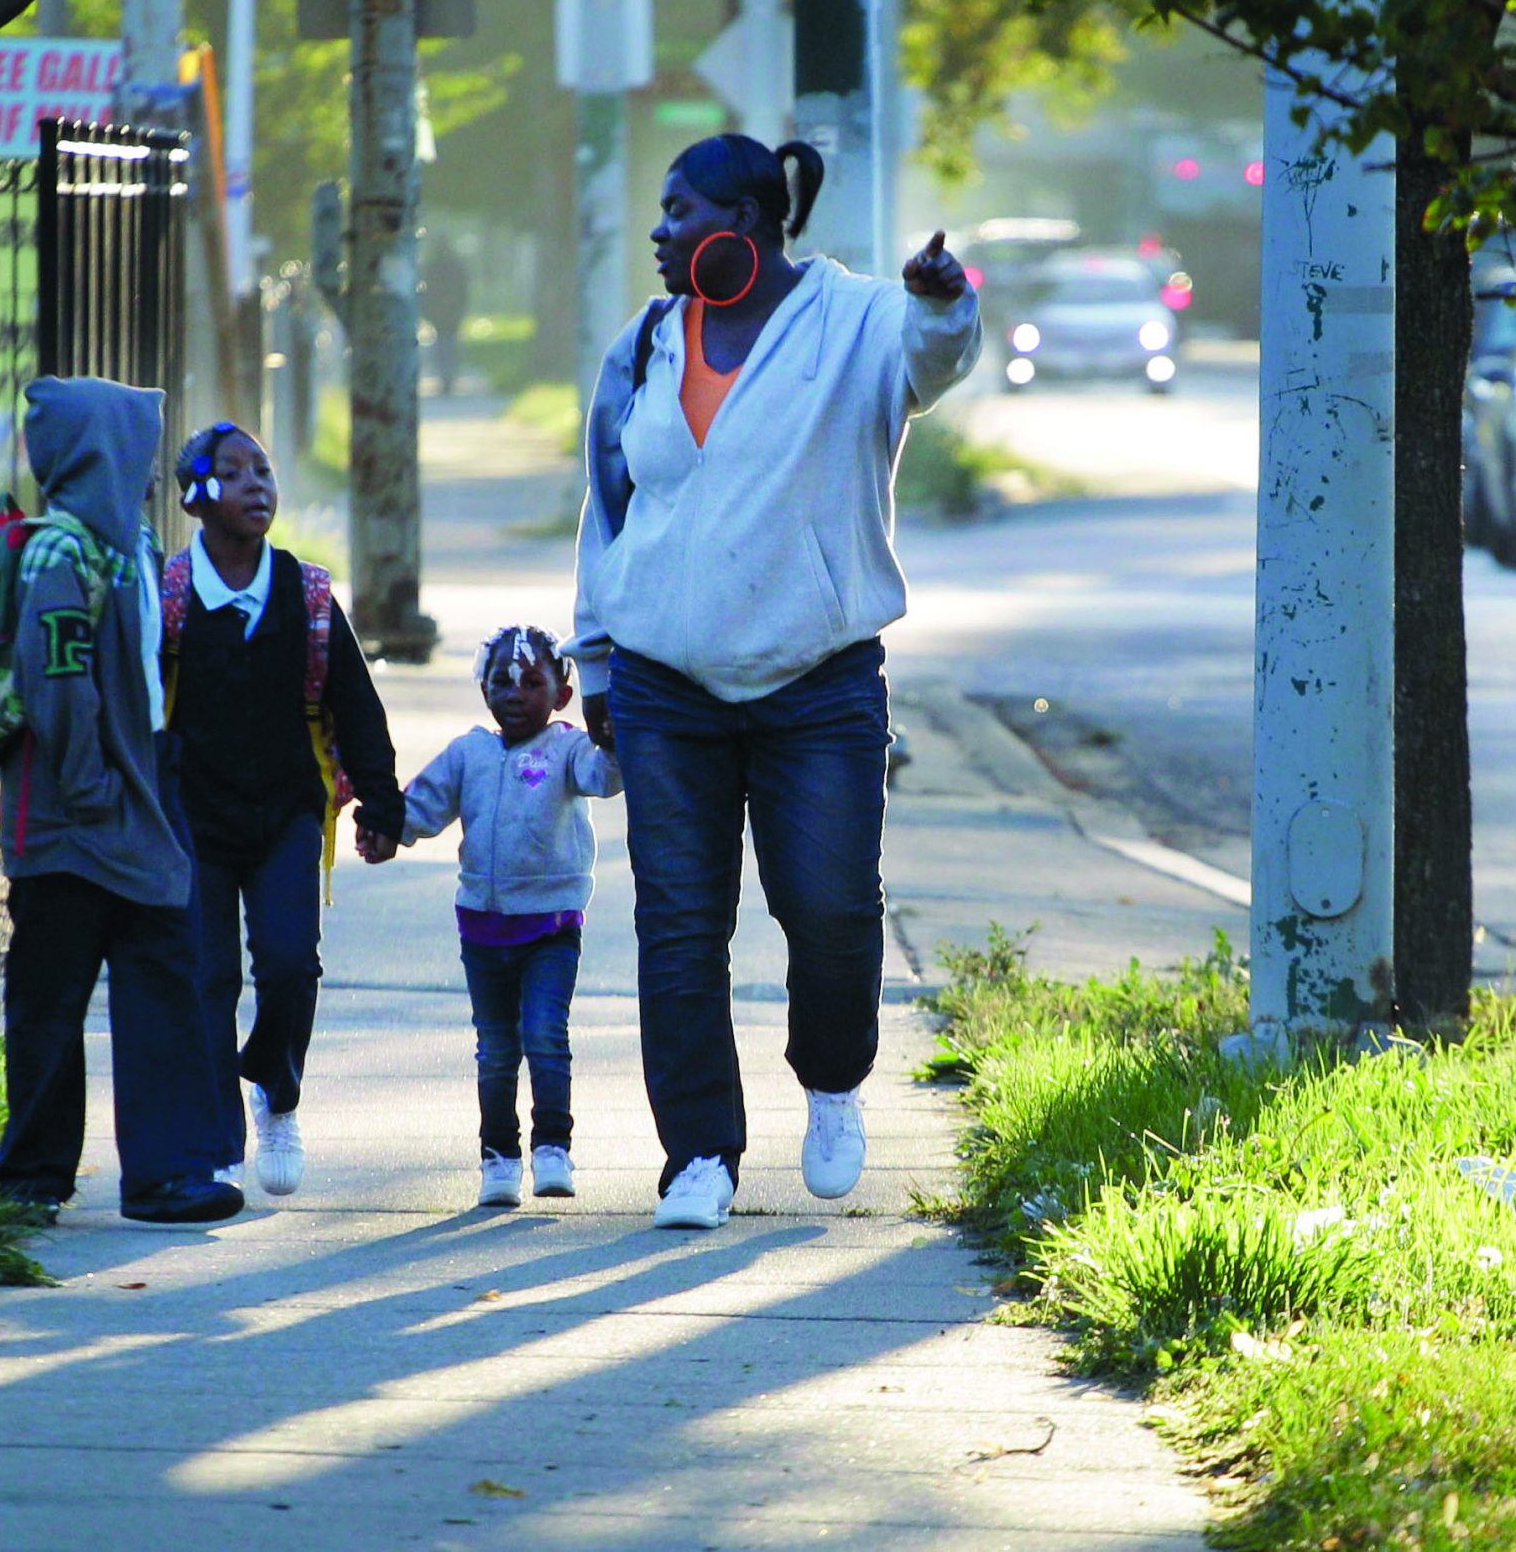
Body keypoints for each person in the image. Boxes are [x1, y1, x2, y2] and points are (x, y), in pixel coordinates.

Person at [571, 132, 980, 1230]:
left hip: (818, 683)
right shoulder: (650, 341)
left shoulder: (849, 321)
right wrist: (596, 660)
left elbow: (931, 361)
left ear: (743, 223)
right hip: (665, 686)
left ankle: (834, 1082)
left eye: (677, 210)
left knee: (833, 909)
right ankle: (698, 1154)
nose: (659, 232)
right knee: (680, 923)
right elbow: (606, 511)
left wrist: (944, 302)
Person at [0, 376, 240, 1226]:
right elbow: (57, 680)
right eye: (135, 446)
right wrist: (93, 786)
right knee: (50, 1001)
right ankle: (32, 1175)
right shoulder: (60, 554)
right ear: (102, 449)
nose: (147, 469)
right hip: (70, 817)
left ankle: (167, 1172)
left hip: (138, 808)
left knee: (164, 980)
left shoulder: (129, 543)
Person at [160, 422, 404, 1198]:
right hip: (194, 819)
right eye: (232, 472)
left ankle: (278, 1092)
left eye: (263, 469)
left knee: (291, 964)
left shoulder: (308, 594)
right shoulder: (168, 598)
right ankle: (212, 1126)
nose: (256, 484)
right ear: (196, 495)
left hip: (290, 814)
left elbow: (356, 709)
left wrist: (381, 804)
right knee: (206, 975)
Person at [398, 625, 622, 1208]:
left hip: (551, 929)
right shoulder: (468, 754)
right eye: (501, 680)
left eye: (531, 682)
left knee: (545, 1037)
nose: (515, 693)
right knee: (496, 1050)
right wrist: (383, 826)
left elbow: (606, 778)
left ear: (561, 696)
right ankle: (499, 1157)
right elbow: (421, 805)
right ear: (483, 688)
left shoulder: (569, 750)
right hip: (483, 930)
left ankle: (553, 1148)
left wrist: (616, 736)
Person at [422, 236, 471, 398]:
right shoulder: (455, 267)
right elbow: (463, 289)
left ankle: (446, 377)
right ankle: (448, 377)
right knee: (450, 343)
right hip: (451, 313)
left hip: (441, 313)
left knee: (442, 344)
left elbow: (427, 292)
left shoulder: (432, 267)